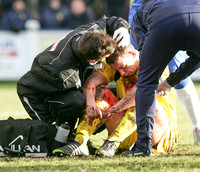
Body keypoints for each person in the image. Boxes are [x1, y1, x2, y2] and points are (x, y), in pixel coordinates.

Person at [52, 44, 179, 157]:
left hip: (159, 135)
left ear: (133, 53)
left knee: (143, 97)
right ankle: (79, 142)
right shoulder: (114, 63)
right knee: (101, 92)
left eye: (123, 67)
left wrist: (111, 111)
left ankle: (112, 143)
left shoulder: (152, 62)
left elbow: (137, 94)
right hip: (126, 132)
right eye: (118, 70)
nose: (122, 73)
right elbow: (91, 82)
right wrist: (91, 104)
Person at [17, 15, 130, 137]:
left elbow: (109, 22)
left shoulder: (93, 32)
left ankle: (78, 136)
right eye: (104, 58)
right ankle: (64, 134)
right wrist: (46, 122)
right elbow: (24, 86)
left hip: (76, 84)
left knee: (120, 95)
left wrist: (123, 28)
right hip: (54, 95)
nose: (106, 61)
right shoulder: (57, 70)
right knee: (77, 101)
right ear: (92, 61)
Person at [127, 0, 200, 156]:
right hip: (197, 18)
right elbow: (197, 58)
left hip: (165, 25)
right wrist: (170, 82)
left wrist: (152, 67)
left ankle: (143, 147)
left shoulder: (142, 10)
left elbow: (144, 49)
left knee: (146, 83)